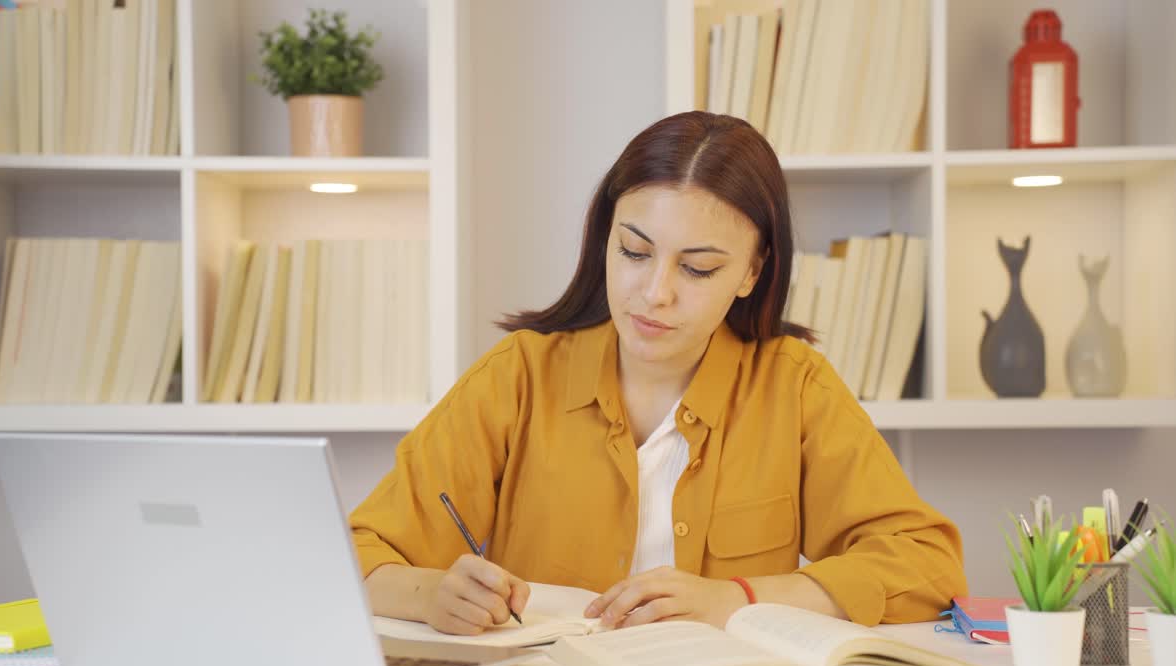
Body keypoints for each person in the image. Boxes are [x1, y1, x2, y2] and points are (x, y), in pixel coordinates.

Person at [349, 111, 967, 636]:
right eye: (634, 252)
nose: (655, 293)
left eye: (697, 269)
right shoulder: (518, 377)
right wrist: (429, 596)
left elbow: (927, 566)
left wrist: (739, 599)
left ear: (752, 273)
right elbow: (356, 550)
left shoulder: (795, 387)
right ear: (605, 238)